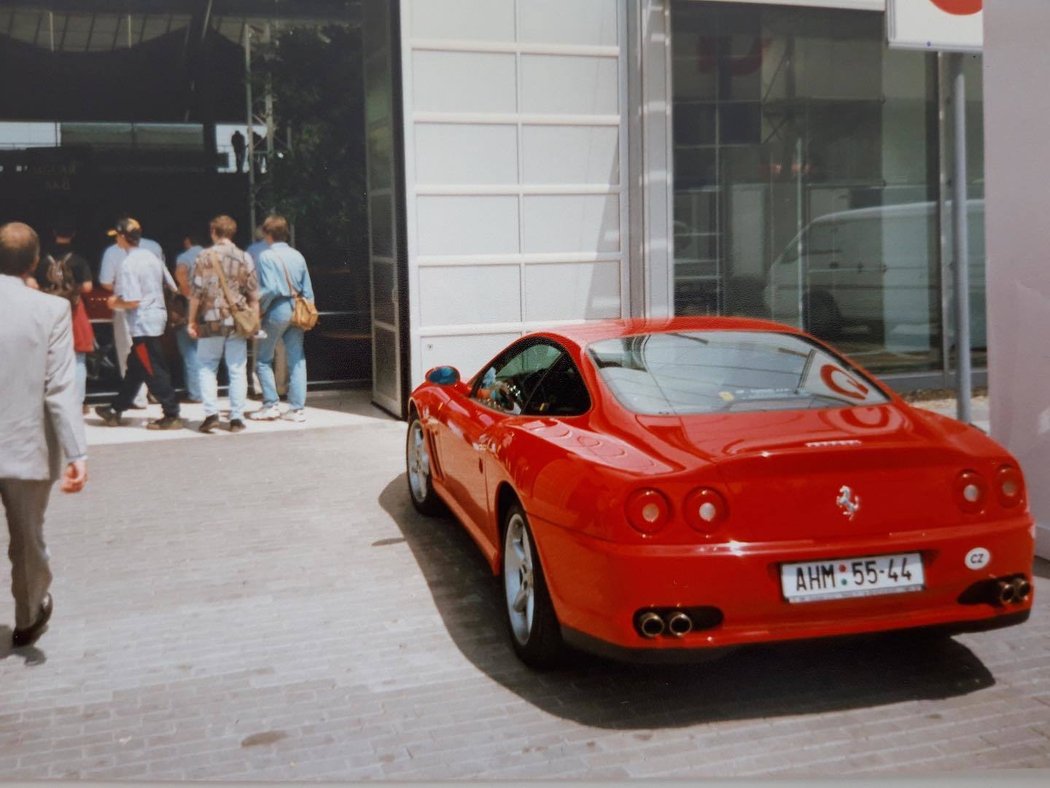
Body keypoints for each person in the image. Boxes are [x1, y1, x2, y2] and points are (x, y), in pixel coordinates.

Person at [0, 221, 88, 648]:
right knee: (28, 539)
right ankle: (29, 615)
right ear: (35, 260)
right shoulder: (51, 310)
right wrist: (77, 453)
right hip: (26, 445)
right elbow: (59, 389)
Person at [94, 218, 182, 430]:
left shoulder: (128, 264)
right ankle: (116, 409)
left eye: (117, 237)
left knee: (152, 368)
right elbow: (171, 285)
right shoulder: (152, 257)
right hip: (157, 315)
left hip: (142, 322)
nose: (116, 241)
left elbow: (132, 300)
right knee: (137, 367)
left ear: (123, 237)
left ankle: (171, 412)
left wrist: (115, 302)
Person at [187, 215, 260, 433]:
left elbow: (195, 294)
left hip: (211, 319)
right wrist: (254, 322)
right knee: (237, 368)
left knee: (207, 366)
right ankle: (236, 418)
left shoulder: (203, 257)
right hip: (236, 320)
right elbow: (254, 294)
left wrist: (191, 320)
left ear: (213, 232)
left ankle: (211, 415)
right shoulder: (244, 257)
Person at [250, 214, 313, 423]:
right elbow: (308, 290)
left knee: (263, 359)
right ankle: (297, 409)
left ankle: (271, 404)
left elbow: (270, 289)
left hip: (277, 309)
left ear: (268, 234)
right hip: (297, 308)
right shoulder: (297, 255)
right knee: (297, 359)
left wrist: (258, 309)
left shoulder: (266, 257)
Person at [37, 220, 95, 413]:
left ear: (54, 232)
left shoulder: (44, 258)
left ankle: (52, 400)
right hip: (74, 310)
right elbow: (87, 287)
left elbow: (31, 283)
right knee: (78, 357)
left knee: (49, 357)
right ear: (74, 233)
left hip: (47, 311)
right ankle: (77, 402)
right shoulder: (78, 259)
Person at [173, 231, 205, 403]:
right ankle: (205, 391)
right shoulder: (211, 256)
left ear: (187, 240)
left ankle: (196, 392)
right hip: (210, 308)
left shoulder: (184, 257)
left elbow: (181, 274)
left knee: (190, 352)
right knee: (205, 353)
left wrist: (185, 294)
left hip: (190, 307)